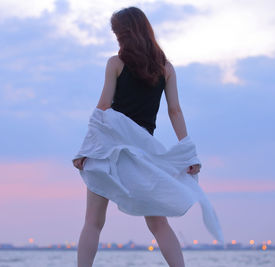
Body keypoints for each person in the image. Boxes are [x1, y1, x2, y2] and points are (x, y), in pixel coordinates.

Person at [73, 6, 202, 267]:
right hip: (142, 152)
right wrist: (189, 153)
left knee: (93, 222)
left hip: (109, 150)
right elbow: (175, 111)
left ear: (126, 33)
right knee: (158, 224)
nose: (116, 37)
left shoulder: (115, 64)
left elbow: (103, 108)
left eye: (117, 32)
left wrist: (85, 149)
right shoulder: (165, 69)